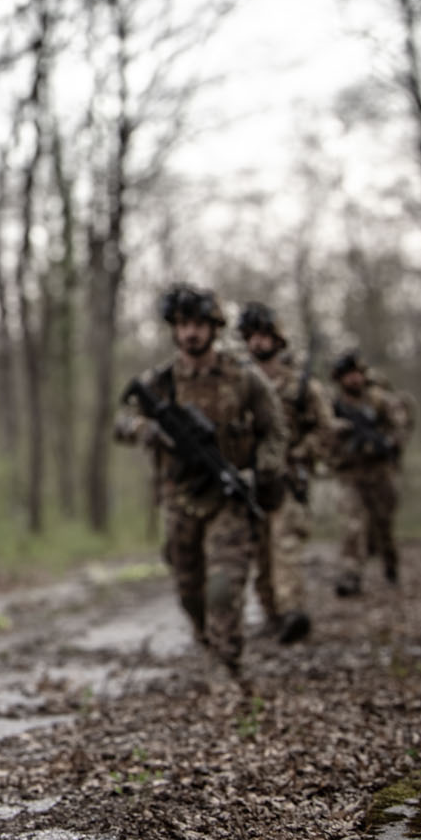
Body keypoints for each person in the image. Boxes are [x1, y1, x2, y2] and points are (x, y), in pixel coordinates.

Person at [114, 284, 286, 681]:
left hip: (228, 498)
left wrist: (264, 470)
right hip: (180, 499)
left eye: (198, 325)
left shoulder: (244, 378)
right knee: (188, 588)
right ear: (174, 329)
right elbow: (121, 423)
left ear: (214, 328)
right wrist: (147, 429)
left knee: (223, 586)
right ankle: (208, 642)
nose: (191, 333)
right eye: (183, 325)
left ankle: (227, 664)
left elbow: (274, 430)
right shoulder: (159, 382)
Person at [235, 303, 335, 644]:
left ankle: (293, 612)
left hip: (289, 478)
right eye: (252, 337)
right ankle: (273, 615)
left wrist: (299, 454)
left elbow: (326, 431)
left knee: (285, 546)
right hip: (251, 480)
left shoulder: (303, 386)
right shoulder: (239, 383)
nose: (258, 343)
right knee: (259, 551)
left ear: (278, 339)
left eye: (264, 336)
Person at [328, 349, 411, 596]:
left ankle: (390, 566)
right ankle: (350, 576)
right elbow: (324, 436)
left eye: (356, 374)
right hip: (350, 475)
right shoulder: (334, 406)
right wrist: (342, 439)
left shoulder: (380, 401)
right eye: (347, 375)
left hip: (380, 473)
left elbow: (401, 428)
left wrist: (386, 444)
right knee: (352, 525)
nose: (352, 380)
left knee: (383, 526)